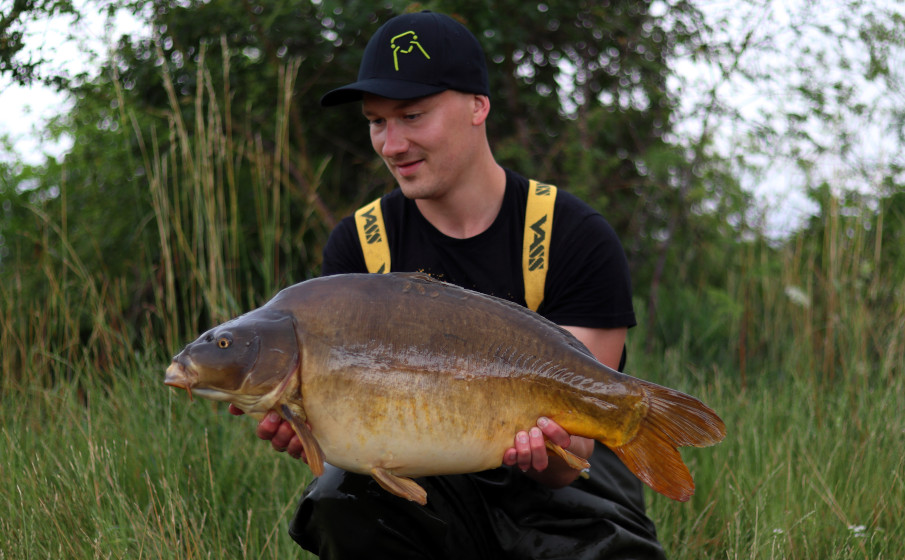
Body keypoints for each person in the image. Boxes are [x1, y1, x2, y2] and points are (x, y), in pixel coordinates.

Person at [230, 10, 666, 559]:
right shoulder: (361, 247)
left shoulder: (573, 235)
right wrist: (315, 433)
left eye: (413, 115)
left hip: (570, 494)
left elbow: (575, 449)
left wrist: (548, 453)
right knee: (339, 498)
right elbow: (358, 433)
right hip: (431, 483)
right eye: (376, 121)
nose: (391, 144)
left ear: (478, 106)